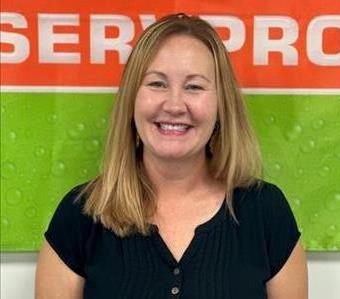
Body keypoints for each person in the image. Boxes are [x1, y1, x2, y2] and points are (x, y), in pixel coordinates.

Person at [35, 13, 308, 299]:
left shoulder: (266, 212)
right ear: (132, 100)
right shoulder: (81, 214)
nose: (175, 105)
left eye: (194, 87)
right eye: (157, 84)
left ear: (221, 106)